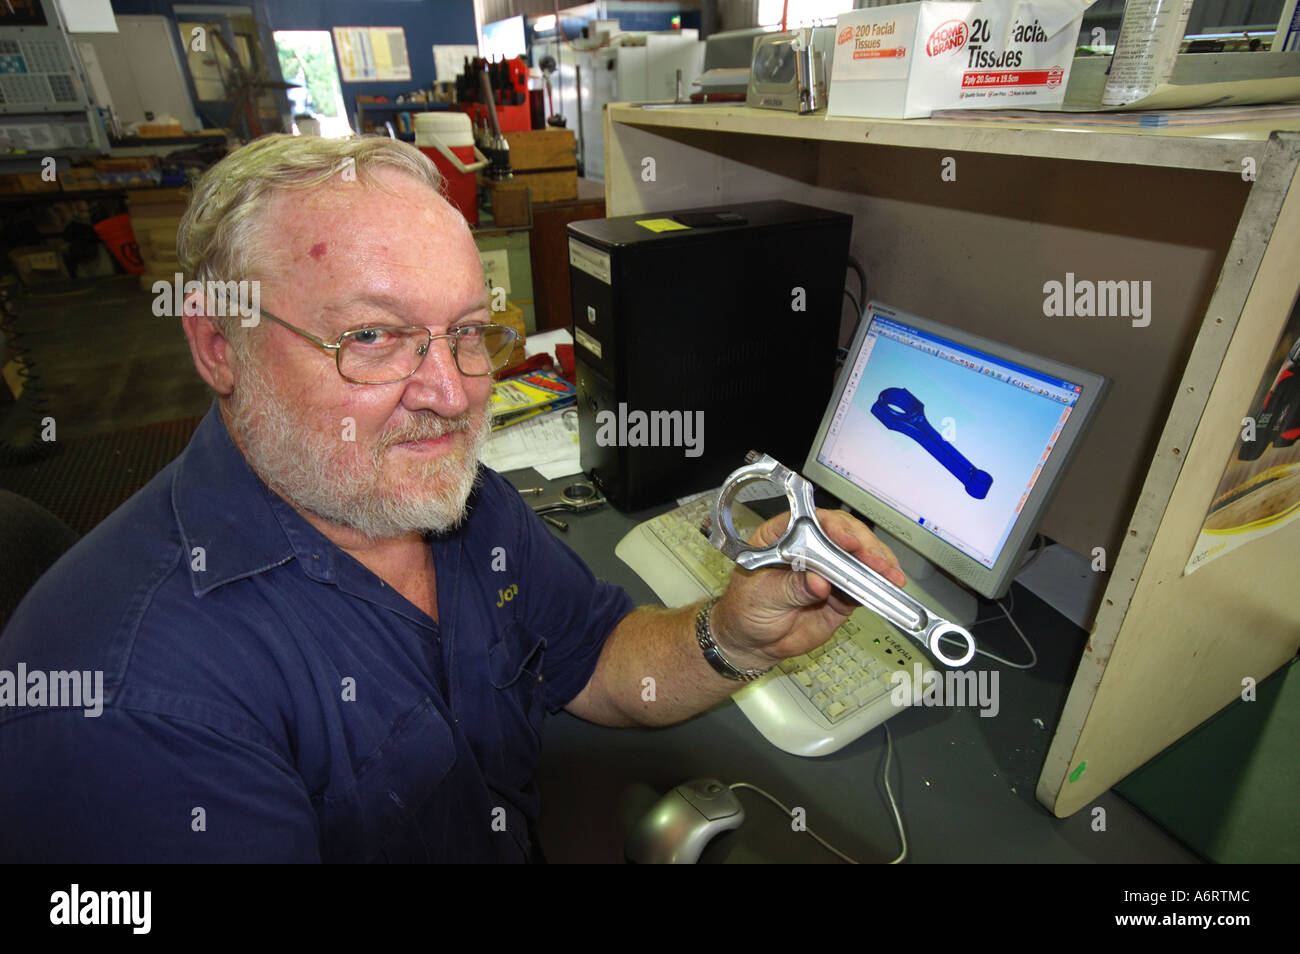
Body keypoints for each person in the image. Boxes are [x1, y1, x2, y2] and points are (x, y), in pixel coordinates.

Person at [0, 134, 905, 862]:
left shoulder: (447, 501)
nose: (452, 391)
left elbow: (595, 661)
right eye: (372, 336)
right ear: (217, 347)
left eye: (468, 332)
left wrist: (732, 637)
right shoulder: (131, 712)